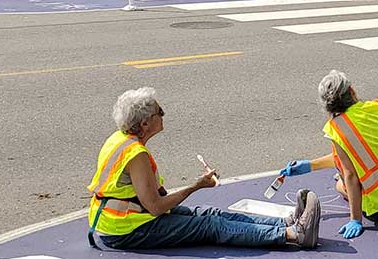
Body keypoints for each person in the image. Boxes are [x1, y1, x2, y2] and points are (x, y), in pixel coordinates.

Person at [87, 87, 321, 250]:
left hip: (126, 219)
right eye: (160, 112)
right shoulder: (135, 154)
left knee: (210, 213)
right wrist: (197, 186)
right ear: (145, 123)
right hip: (126, 230)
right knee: (210, 225)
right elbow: (156, 207)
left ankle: (286, 222)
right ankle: (292, 235)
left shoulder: (120, 139)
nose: (163, 115)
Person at [278, 70, 378, 241]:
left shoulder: (337, 128)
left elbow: (351, 175)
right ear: (352, 91)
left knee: (340, 183)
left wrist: (355, 220)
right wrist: (310, 165)